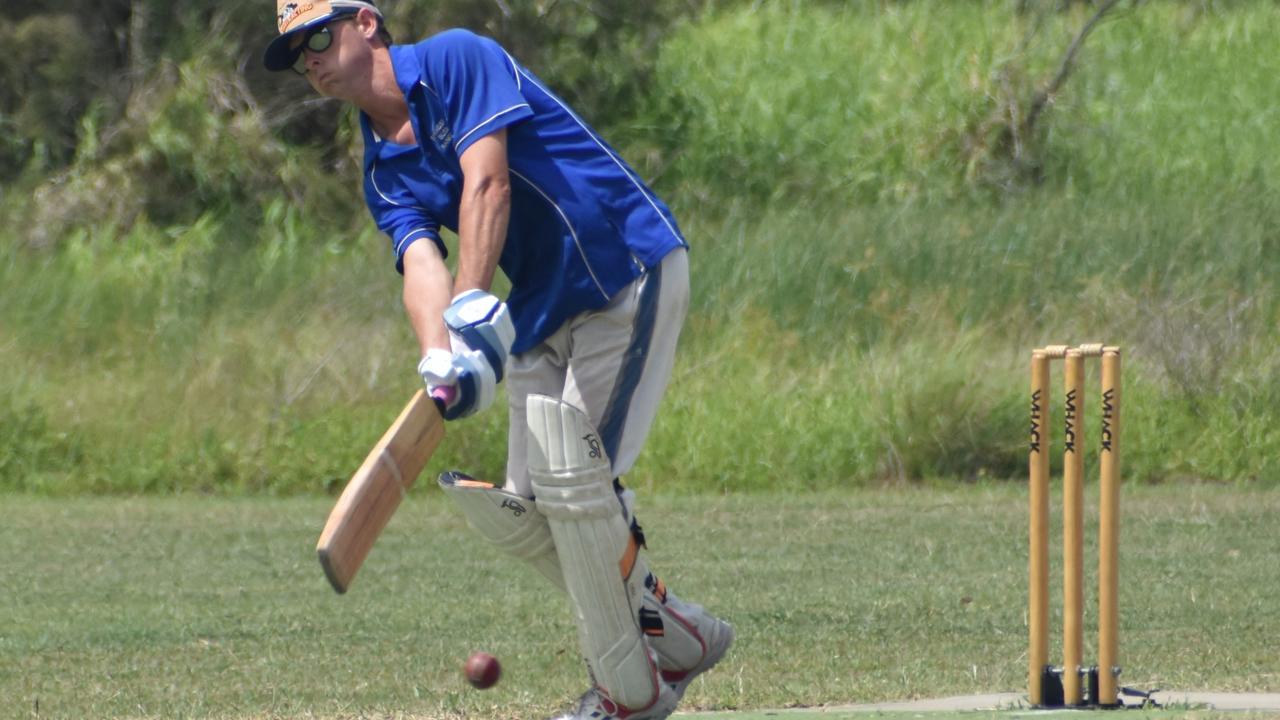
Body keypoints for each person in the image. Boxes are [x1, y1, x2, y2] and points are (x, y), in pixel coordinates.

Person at [263, 2, 734, 719]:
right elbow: (420, 262)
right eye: (297, 53)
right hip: (541, 307)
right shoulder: (383, 170)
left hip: (621, 265)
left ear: (365, 21)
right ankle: (681, 634)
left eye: (317, 37)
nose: (311, 60)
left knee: (577, 488)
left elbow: (489, 184)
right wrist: (438, 354)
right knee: (523, 508)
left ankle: (628, 693)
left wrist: (472, 301)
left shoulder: (456, 58)